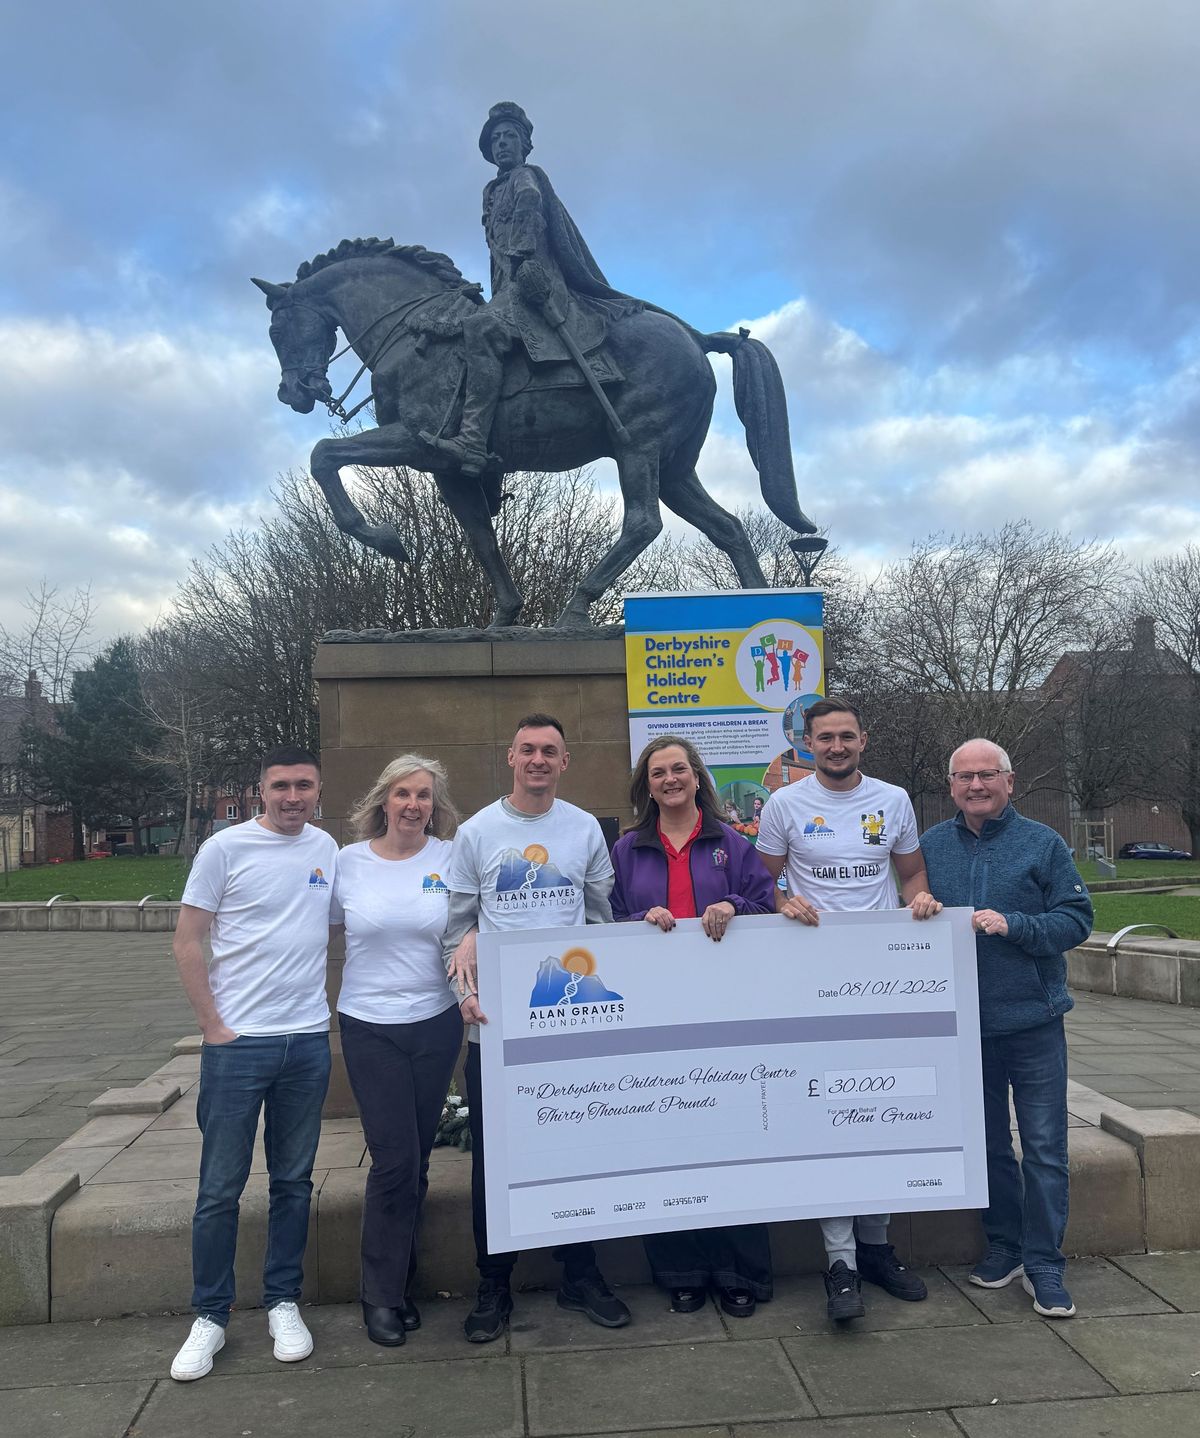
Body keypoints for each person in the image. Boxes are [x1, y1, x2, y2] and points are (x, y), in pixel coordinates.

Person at [443, 713, 629, 1342]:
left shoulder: (583, 830)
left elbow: (602, 919)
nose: (539, 760)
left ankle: (581, 1272)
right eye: (528, 750)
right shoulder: (476, 833)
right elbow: (458, 928)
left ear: (565, 761)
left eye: (550, 751)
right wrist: (463, 992)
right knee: (494, 1160)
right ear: (511, 758)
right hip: (494, 1026)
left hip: (570, 1023)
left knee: (578, 1149)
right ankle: (493, 1282)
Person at [755, 698, 941, 1323]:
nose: (835, 747)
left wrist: (920, 901)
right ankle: (840, 1262)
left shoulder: (893, 800)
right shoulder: (785, 805)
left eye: (846, 737)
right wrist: (782, 904)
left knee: (882, 1106)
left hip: (882, 977)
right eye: (824, 738)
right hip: (809, 979)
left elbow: (911, 875)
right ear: (807, 745)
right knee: (830, 1110)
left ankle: (878, 1247)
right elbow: (766, 883)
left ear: (864, 740)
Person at [169, 746, 338, 1381]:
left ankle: (282, 1301)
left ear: (318, 791)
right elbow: (188, 938)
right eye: (280, 786)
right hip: (239, 1045)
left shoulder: (326, 850)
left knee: (293, 1180)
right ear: (260, 790)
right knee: (219, 1187)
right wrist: (213, 1027)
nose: (292, 797)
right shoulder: (225, 850)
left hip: (308, 1041)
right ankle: (209, 1316)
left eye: (304, 786)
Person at [920, 739, 1092, 1319]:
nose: (975, 786)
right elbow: (908, 911)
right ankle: (1005, 1246)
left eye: (986, 775)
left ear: (1009, 782)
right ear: (950, 787)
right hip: (965, 1025)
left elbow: (1076, 919)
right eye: (964, 777)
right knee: (990, 1145)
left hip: (1034, 1021)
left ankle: (1045, 1262)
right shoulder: (930, 847)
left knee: (1045, 1149)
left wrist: (1013, 924)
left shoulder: (1043, 843)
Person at [610, 735, 777, 1316]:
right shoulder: (628, 849)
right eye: (658, 772)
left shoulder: (730, 841)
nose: (670, 779)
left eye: (679, 769)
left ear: (695, 775)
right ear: (646, 784)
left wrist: (733, 904)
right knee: (668, 1142)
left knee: (731, 1140)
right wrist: (638, 919)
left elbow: (767, 905)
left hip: (728, 1013)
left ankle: (739, 1273)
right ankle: (680, 1269)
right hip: (654, 1017)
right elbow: (604, 920)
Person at [426, 101, 642, 478]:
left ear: (524, 145)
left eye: (510, 136)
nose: (502, 144)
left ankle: (472, 441)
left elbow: (530, 203)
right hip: (509, 289)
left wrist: (523, 254)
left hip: (536, 284)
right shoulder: (490, 190)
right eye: (496, 139)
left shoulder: (526, 176)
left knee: (479, 329)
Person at [330, 755, 464, 1346]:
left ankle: (402, 1281)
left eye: (424, 796)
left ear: (435, 805)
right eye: (403, 794)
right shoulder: (347, 864)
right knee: (394, 1161)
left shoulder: (451, 858)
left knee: (419, 1160)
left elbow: (475, 917)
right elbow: (312, 926)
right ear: (383, 800)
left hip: (435, 1024)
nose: (413, 805)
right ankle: (379, 1296)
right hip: (369, 1026)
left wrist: (476, 941)